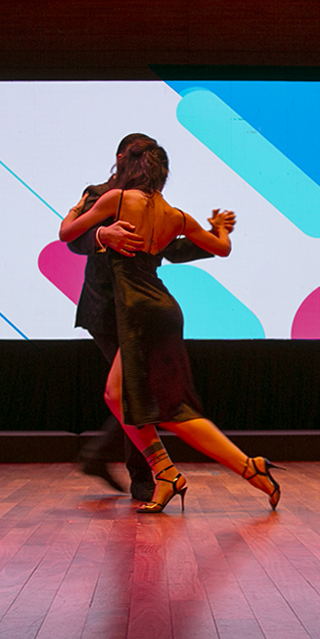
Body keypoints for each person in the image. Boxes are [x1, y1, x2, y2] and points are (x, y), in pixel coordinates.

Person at [60, 138, 283, 512]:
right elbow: (220, 248)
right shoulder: (174, 215)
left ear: (126, 164)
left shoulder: (113, 199)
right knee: (120, 397)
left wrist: (77, 218)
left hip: (137, 311)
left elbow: (66, 233)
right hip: (153, 308)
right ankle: (167, 473)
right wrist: (220, 229)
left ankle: (244, 466)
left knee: (163, 409)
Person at [66, 134, 223, 501]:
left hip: (139, 307)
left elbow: (172, 249)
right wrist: (102, 233)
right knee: (135, 393)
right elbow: (74, 239)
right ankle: (142, 477)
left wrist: (213, 240)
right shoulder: (100, 193)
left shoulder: (153, 204)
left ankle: (115, 462)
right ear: (122, 158)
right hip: (105, 307)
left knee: (136, 392)